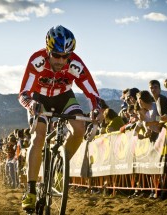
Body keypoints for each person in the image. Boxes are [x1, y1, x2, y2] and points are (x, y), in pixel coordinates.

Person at [18, 25, 101, 211]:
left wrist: (96, 109)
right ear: (48, 50)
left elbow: (92, 93)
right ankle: (31, 190)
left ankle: (60, 167)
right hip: (39, 98)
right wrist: (31, 104)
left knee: (79, 128)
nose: (61, 60)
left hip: (64, 96)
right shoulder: (37, 60)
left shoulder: (75, 64)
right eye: (56, 55)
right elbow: (23, 93)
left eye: (66, 56)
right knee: (38, 136)